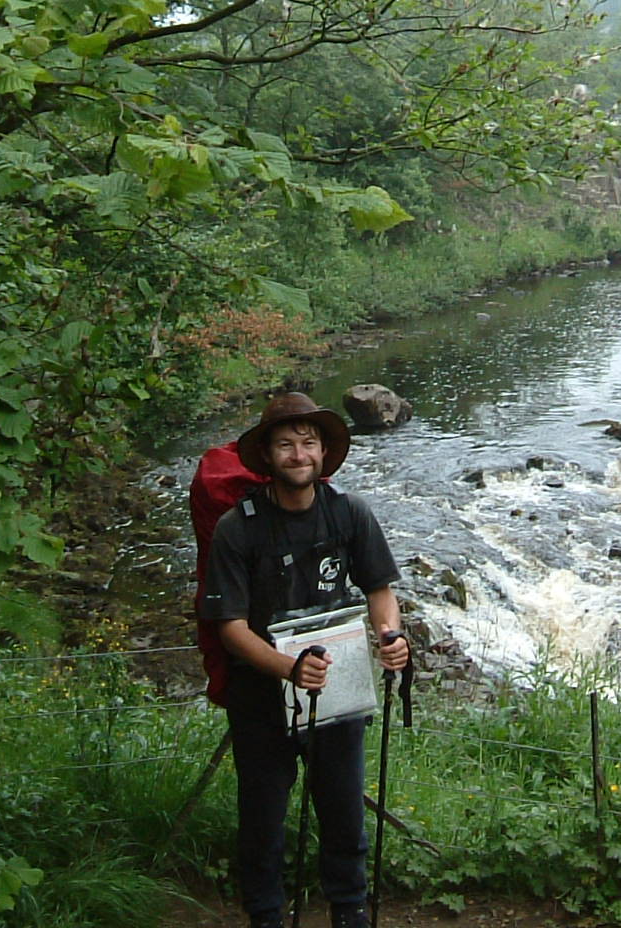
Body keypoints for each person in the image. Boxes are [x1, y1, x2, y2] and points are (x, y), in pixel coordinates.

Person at [199, 392, 410, 928]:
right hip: (261, 695)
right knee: (263, 818)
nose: (299, 454)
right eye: (287, 445)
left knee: (342, 810)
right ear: (267, 457)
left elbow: (380, 590)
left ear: (324, 454)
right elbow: (230, 629)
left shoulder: (349, 513)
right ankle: (267, 915)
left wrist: (390, 636)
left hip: (338, 686)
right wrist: (286, 668)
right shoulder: (237, 528)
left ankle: (349, 910)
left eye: (309, 443)